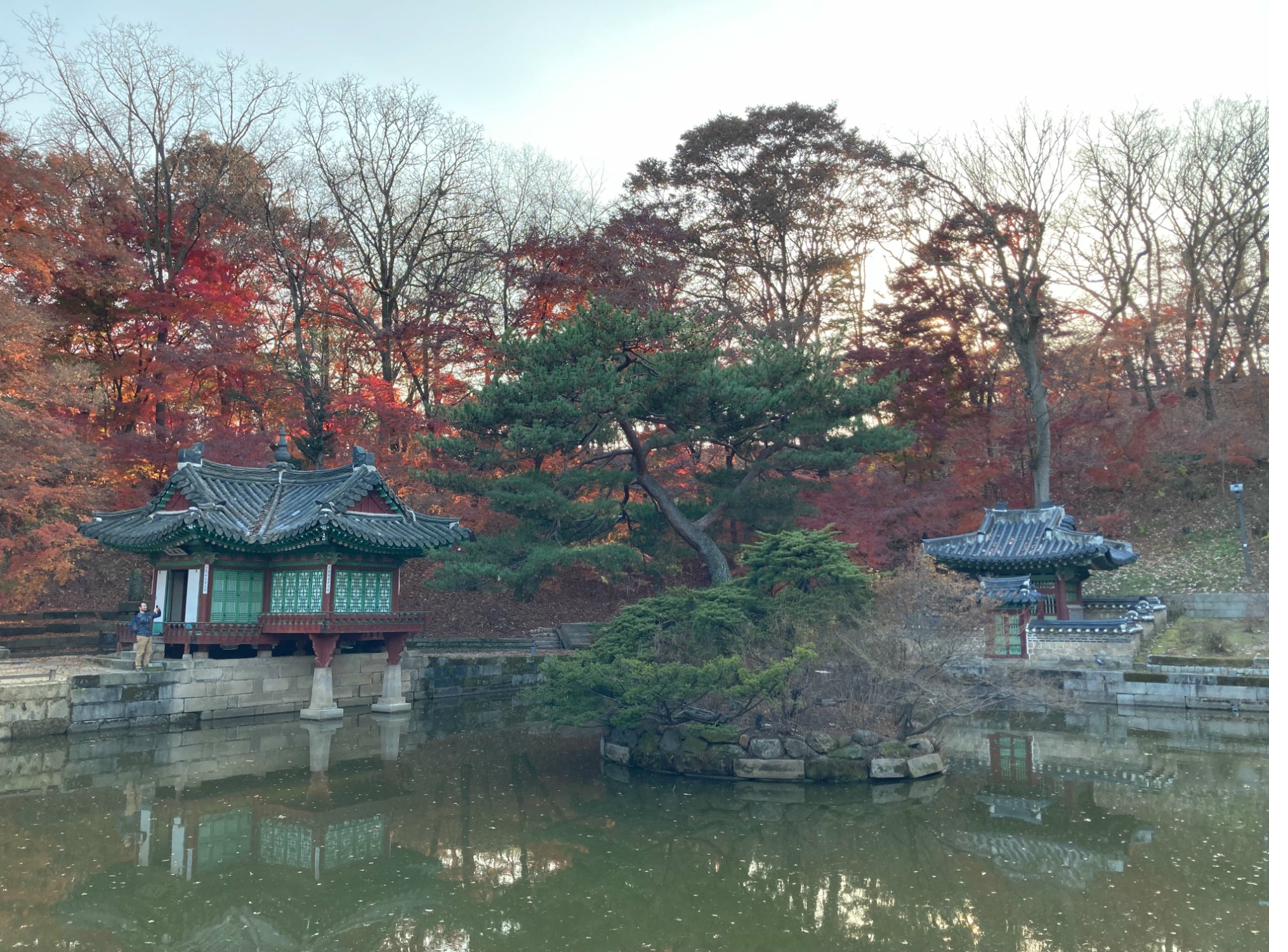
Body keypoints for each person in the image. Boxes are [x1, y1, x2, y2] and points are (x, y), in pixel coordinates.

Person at [130, 601, 162, 670]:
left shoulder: (148, 615)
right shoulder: (138, 616)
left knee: (149, 651)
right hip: (141, 635)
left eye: (145, 606)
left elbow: (158, 615)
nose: (145, 607)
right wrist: (138, 632)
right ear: (140, 607)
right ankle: (138, 666)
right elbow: (143, 621)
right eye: (143, 606)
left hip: (149, 635)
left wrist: (158, 611)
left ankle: (145, 665)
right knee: (140, 651)